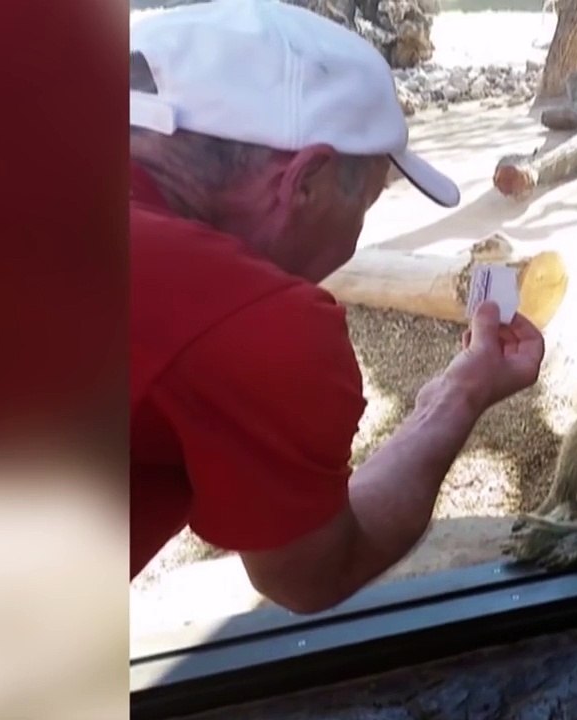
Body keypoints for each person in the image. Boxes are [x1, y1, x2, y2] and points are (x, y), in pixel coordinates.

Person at [129, 0, 546, 613]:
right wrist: (462, 394)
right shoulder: (254, 322)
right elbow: (313, 572)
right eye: (368, 202)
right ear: (305, 179)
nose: (357, 236)